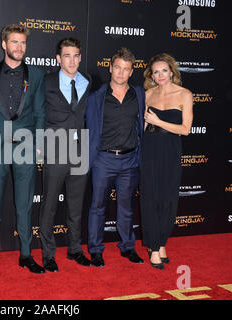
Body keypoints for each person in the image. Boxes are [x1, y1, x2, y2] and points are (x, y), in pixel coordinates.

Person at [0, 24, 46, 279]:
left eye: (23, 43)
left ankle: (26, 255)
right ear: (4, 45)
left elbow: (40, 111)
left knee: (24, 206)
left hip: (26, 147)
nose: (19, 47)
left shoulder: (37, 75)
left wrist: (39, 142)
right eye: (14, 42)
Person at [85, 47, 145, 267]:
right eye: (117, 67)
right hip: (103, 159)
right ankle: (95, 250)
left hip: (130, 160)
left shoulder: (139, 94)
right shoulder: (96, 97)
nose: (121, 73)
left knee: (127, 207)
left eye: (126, 69)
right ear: (110, 68)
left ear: (131, 71)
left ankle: (128, 247)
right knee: (98, 206)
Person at [39, 38, 92, 272]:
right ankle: (48, 254)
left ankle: (75, 249)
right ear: (58, 58)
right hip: (55, 149)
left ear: (80, 57)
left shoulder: (88, 81)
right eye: (67, 56)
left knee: (76, 205)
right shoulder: (46, 81)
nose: (72, 60)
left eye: (76, 55)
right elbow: (37, 114)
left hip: (80, 151)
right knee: (49, 205)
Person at [140, 53, 193, 269]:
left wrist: (159, 121)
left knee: (168, 199)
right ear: (151, 75)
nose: (160, 75)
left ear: (171, 71)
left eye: (163, 70)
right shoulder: (148, 93)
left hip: (170, 150)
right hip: (150, 149)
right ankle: (154, 248)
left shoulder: (184, 94)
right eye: (155, 72)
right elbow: (144, 125)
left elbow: (185, 130)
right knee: (150, 198)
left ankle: (161, 241)